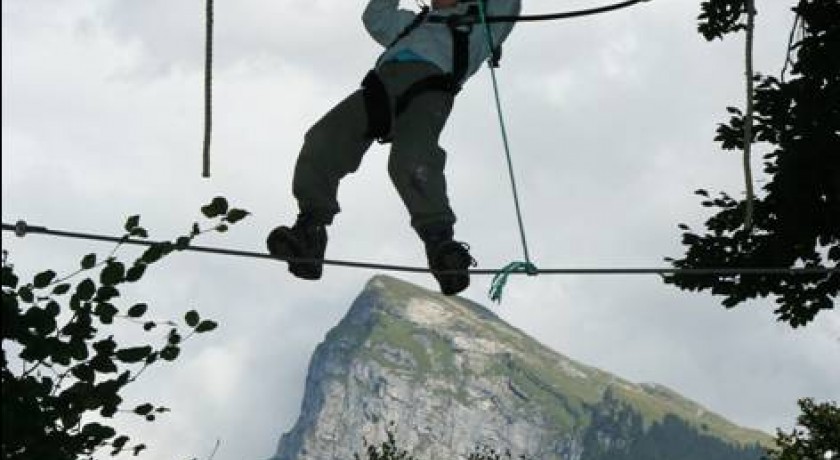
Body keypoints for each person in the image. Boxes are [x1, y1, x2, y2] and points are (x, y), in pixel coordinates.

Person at [267, 0, 521, 296]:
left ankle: (441, 245)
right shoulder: (412, 24)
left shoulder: (484, 23)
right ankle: (309, 231)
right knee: (322, 142)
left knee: (411, 159)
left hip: (431, 87)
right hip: (380, 87)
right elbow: (375, 15)